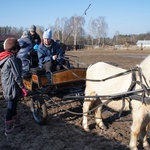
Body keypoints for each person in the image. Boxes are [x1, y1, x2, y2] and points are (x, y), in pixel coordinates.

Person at [0, 37, 27, 135]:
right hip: (12, 88)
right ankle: (8, 129)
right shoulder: (11, 60)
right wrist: (23, 88)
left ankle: (16, 123)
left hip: (8, 87)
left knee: (14, 105)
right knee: (11, 107)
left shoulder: (5, 58)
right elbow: (17, 76)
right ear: (14, 49)